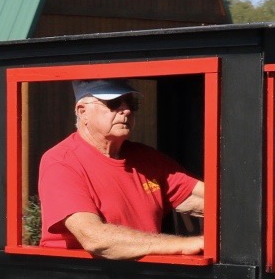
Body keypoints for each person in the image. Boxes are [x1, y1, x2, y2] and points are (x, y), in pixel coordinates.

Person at [38, 80, 205, 259]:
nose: (126, 110)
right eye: (113, 103)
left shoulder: (147, 158)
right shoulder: (60, 162)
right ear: (82, 111)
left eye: (131, 103)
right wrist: (184, 244)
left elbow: (206, 199)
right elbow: (95, 238)